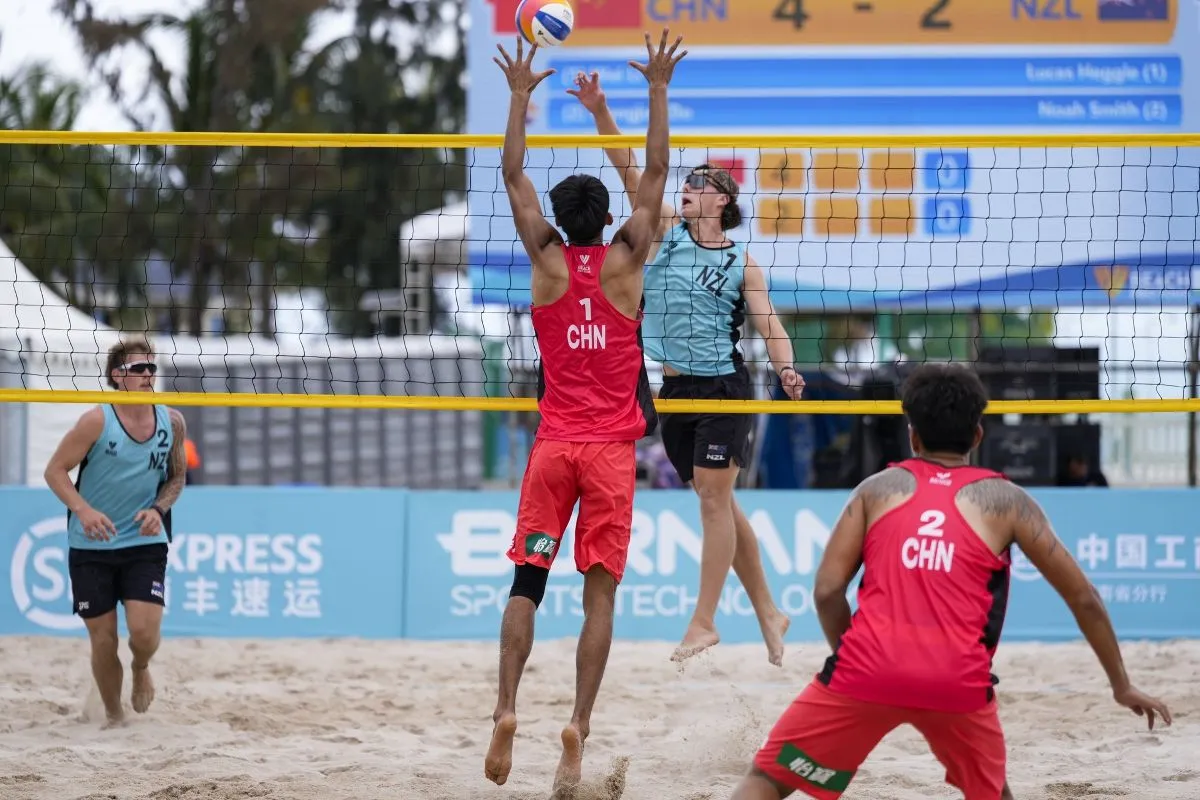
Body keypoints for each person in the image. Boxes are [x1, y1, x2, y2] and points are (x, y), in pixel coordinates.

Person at [731, 363, 1172, 800]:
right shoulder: (1007, 500)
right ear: (978, 434)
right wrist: (1121, 684)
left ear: (912, 434)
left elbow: (827, 591)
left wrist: (855, 657)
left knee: (765, 781)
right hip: (957, 681)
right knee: (993, 793)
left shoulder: (875, 489)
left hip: (866, 669)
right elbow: (1084, 598)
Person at [483, 29, 687, 794]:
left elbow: (512, 174)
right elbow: (658, 169)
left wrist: (518, 96)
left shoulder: (544, 264)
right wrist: (656, 88)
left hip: (554, 448)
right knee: (598, 596)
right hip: (608, 455)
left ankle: (506, 707)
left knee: (525, 584)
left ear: (563, 221)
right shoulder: (629, 260)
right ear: (606, 219)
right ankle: (578, 724)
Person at [569, 73, 803, 665]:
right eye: (689, 182)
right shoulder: (667, 232)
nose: (689, 187)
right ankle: (770, 613)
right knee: (716, 499)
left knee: (712, 501)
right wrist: (599, 109)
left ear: (722, 200)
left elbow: (769, 322)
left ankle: (704, 621)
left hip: (724, 385)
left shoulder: (742, 262)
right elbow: (626, 166)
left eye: (700, 183)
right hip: (672, 390)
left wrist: (787, 369)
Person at [43, 336, 188, 729]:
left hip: (143, 539)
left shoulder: (171, 421)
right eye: (139, 369)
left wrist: (159, 508)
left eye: (151, 368)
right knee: (103, 640)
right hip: (92, 542)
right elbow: (54, 472)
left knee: (143, 632)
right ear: (117, 376)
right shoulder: (96, 420)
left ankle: (141, 666)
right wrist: (83, 510)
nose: (147, 376)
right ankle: (113, 715)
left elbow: (177, 478)